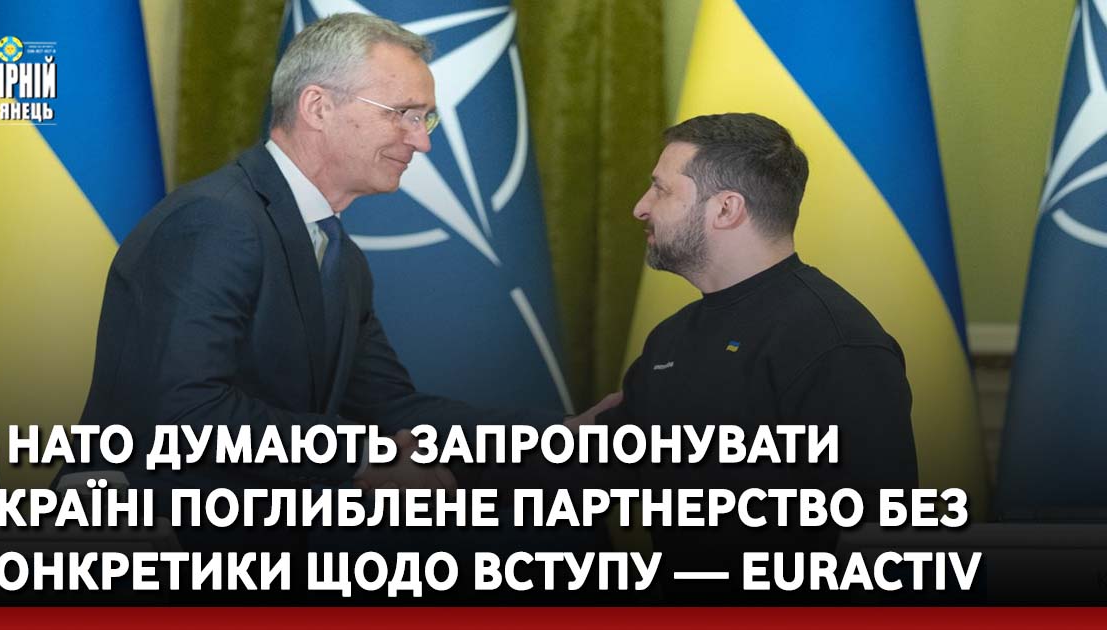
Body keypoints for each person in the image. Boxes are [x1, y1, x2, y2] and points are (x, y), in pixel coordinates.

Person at [73, 12, 610, 562]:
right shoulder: (216, 221)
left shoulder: (339, 255)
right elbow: (180, 413)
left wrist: (556, 436)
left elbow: (393, 410)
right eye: (403, 114)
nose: (422, 142)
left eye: (426, 119)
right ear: (317, 107)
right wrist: (362, 457)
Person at [582, 113, 918, 602]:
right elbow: (603, 458)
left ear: (726, 209)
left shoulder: (836, 344)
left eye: (660, 189)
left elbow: (881, 542)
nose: (640, 208)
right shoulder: (671, 338)